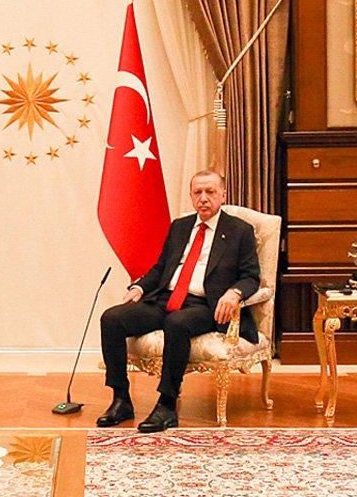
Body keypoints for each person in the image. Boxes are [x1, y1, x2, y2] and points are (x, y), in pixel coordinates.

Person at [98, 170, 260, 432]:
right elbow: (161, 268)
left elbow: (251, 276)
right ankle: (121, 399)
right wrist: (139, 287)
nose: (203, 198)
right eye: (198, 192)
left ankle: (167, 405)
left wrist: (235, 293)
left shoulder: (239, 230)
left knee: (177, 323)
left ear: (223, 195)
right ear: (191, 196)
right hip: (165, 299)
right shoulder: (180, 227)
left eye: (210, 192)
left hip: (205, 305)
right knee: (112, 319)